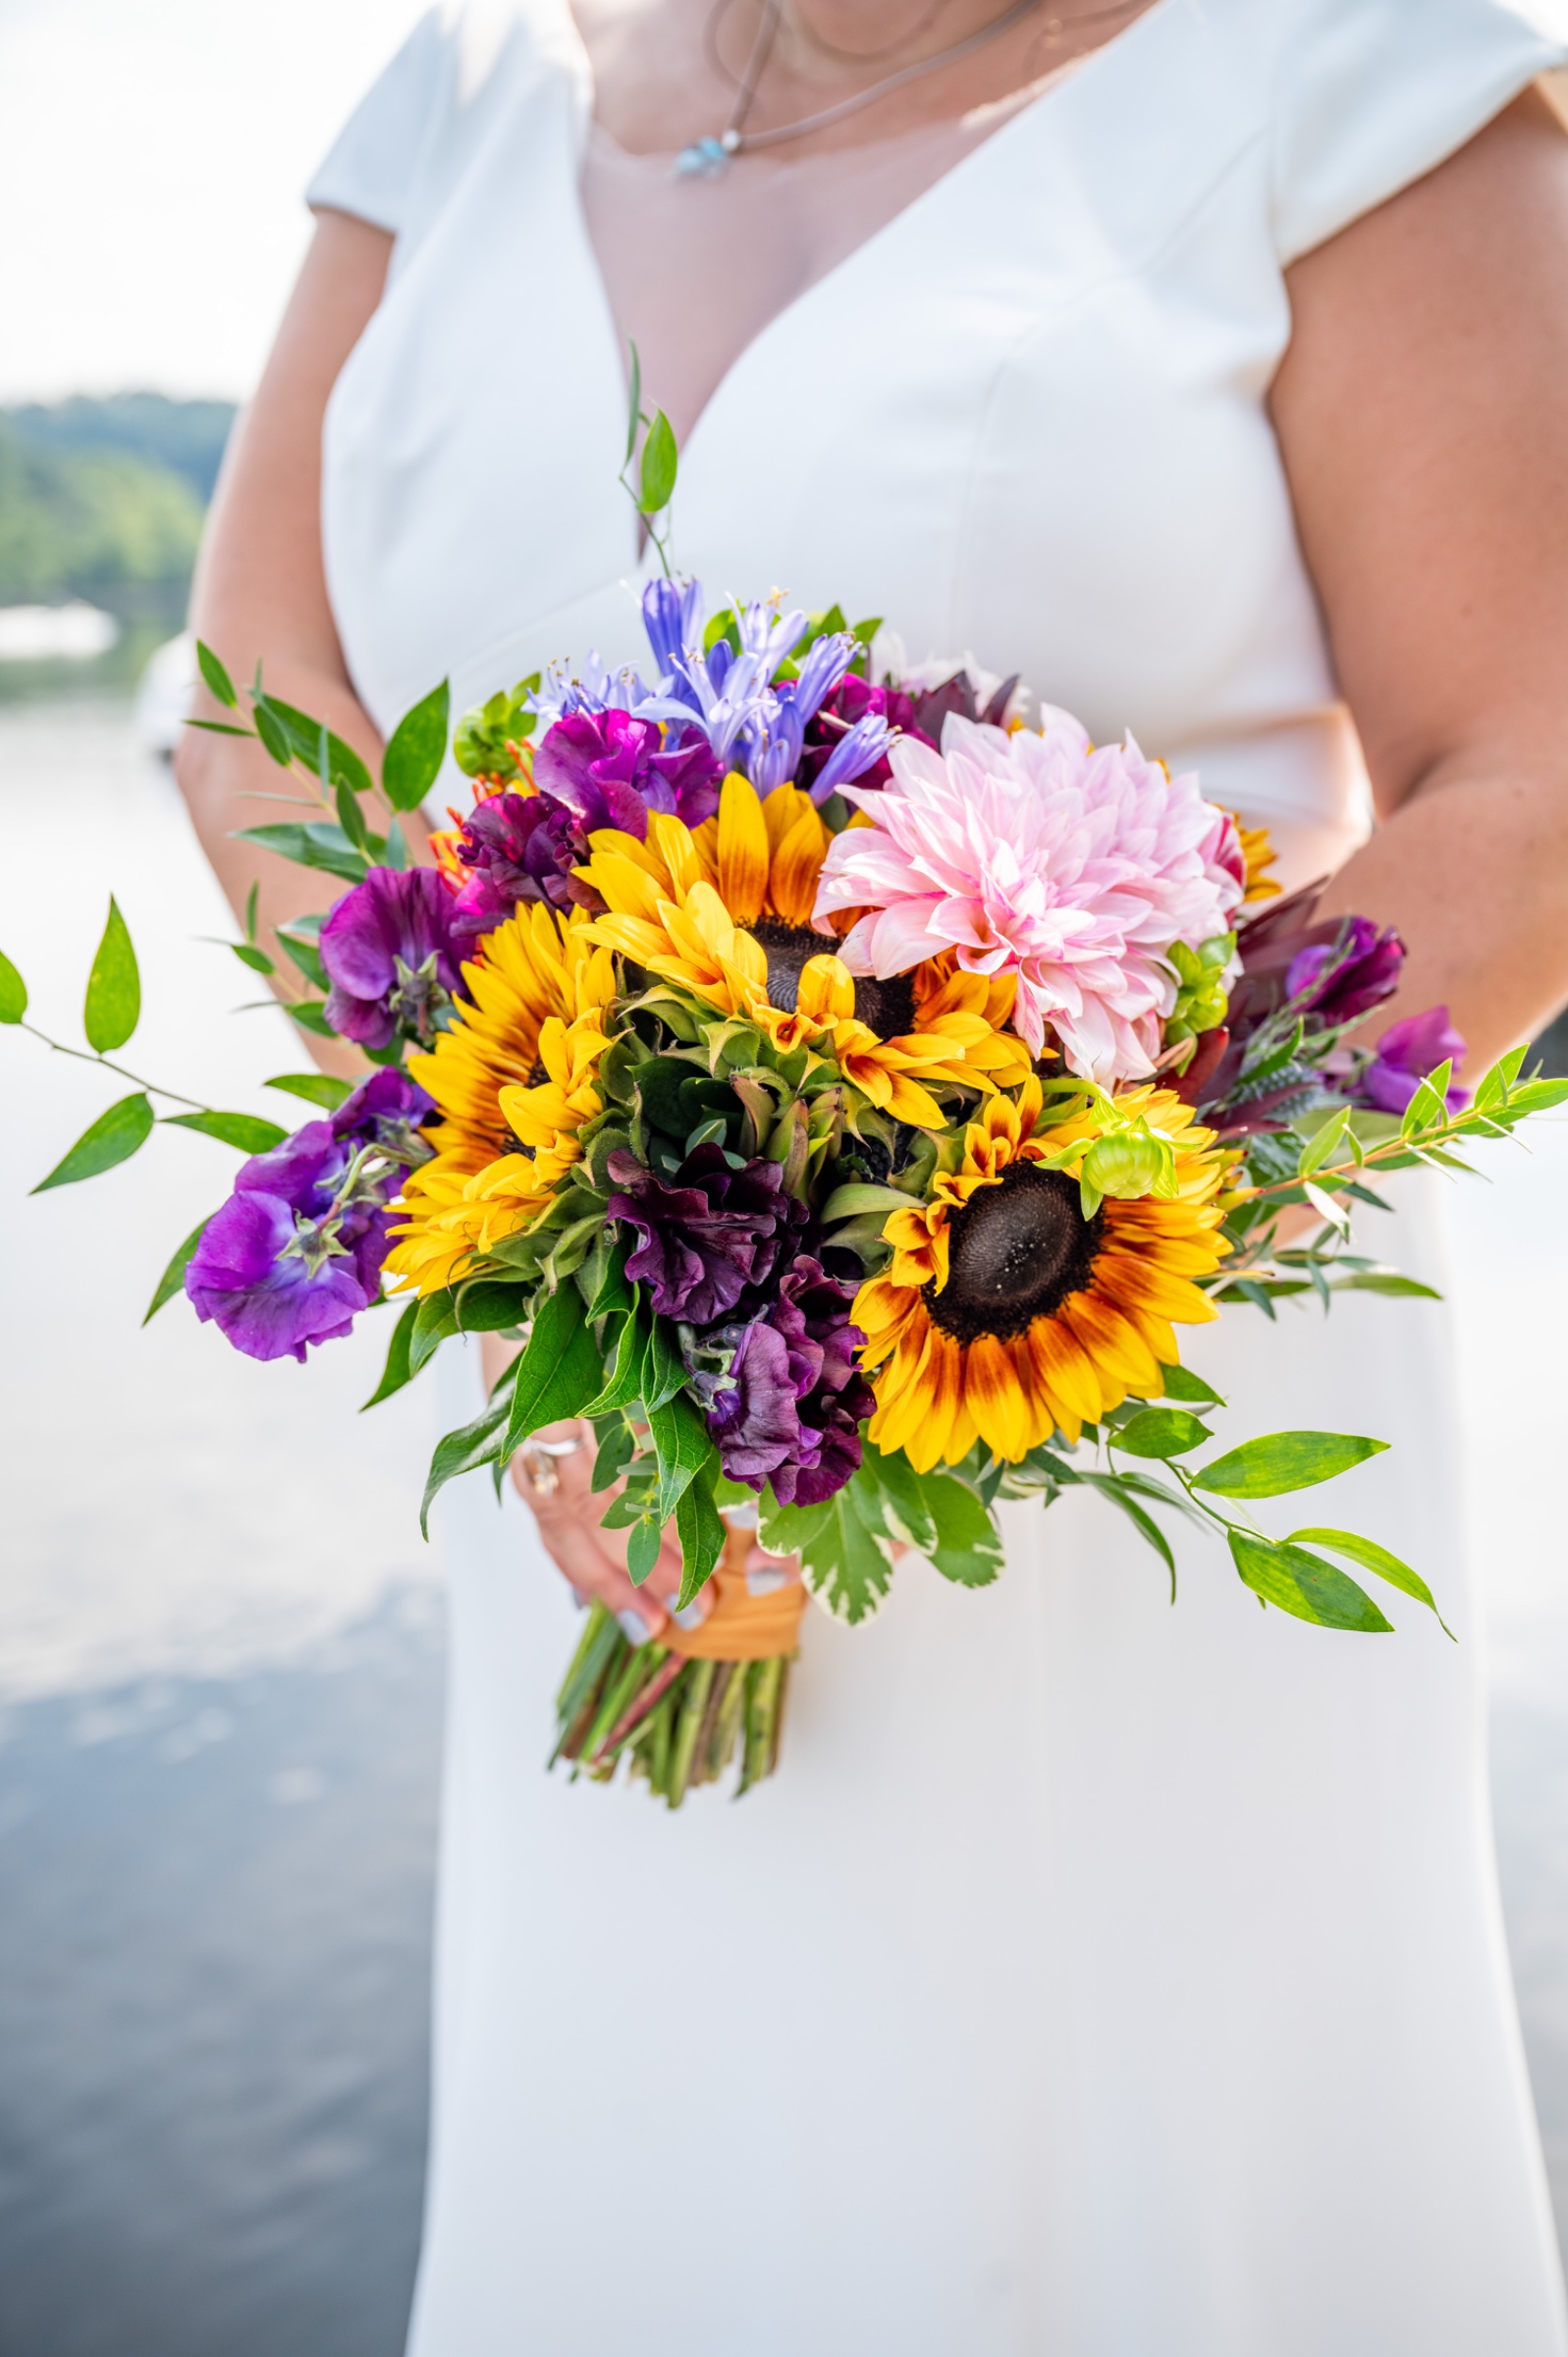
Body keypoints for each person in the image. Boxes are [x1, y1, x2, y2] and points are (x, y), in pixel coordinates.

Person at [176, 1, 1568, 2347]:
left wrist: (945, 1260)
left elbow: (1527, 781)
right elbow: (252, 699)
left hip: (1110, 1386)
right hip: (600, 1427)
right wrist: (533, 1155)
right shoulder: (462, 95)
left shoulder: (1352, 75)